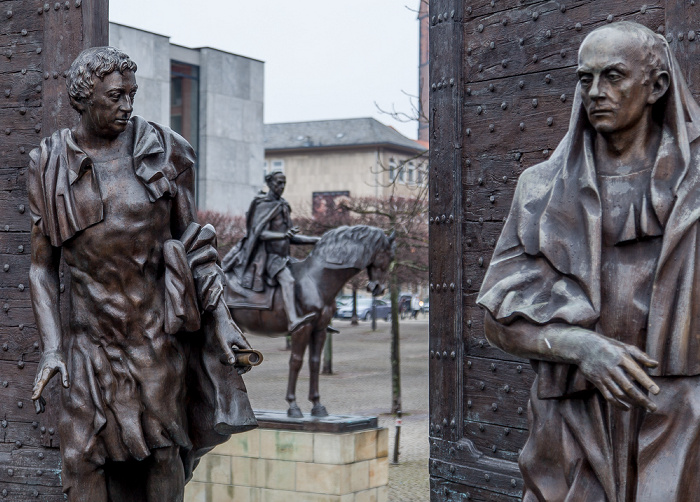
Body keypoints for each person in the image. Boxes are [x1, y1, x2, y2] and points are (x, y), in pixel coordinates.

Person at [477, 22, 700, 501]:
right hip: (571, 421)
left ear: (656, 86)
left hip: (680, 418)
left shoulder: (696, 186)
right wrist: (579, 345)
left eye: (613, 76)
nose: (595, 92)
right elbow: (496, 320)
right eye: (585, 78)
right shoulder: (538, 189)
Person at [28, 46, 257, 501]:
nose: (127, 106)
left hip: (155, 339)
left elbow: (195, 246)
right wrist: (51, 349)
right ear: (83, 97)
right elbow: (41, 269)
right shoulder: (49, 164)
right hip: (87, 346)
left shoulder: (164, 150)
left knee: (164, 453)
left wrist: (222, 319)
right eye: (115, 96)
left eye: (132, 95)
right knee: (80, 457)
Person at [222, 171, 319, 332]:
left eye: (284, 183)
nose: (281, 186)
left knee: (306, 278)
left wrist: (317, 240)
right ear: (269, 183)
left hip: (284, 257)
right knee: (288, 281)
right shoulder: (263, 204)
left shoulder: (283, 205)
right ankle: (293, 320)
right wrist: (283, 235)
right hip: (268, 258)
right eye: (278, 183)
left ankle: (318, 318)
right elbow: (259, 233)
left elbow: (291, 238)